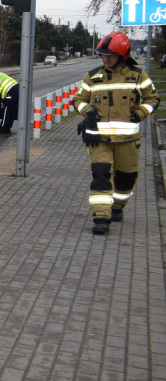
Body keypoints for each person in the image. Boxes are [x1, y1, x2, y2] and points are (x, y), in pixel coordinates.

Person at [73, 31, 159, 235]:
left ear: (123, 55)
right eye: (103, 55)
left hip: (128, 140)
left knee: (126, 179)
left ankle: (117, 207)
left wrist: (139, 114)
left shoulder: (138, 76)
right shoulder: (93, 76)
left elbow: (153, 99)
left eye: (110, 55)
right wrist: (87, 112)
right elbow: (78, 99)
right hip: (99, 139)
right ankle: (101, 217)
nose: (106, 58)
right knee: (100, 175)